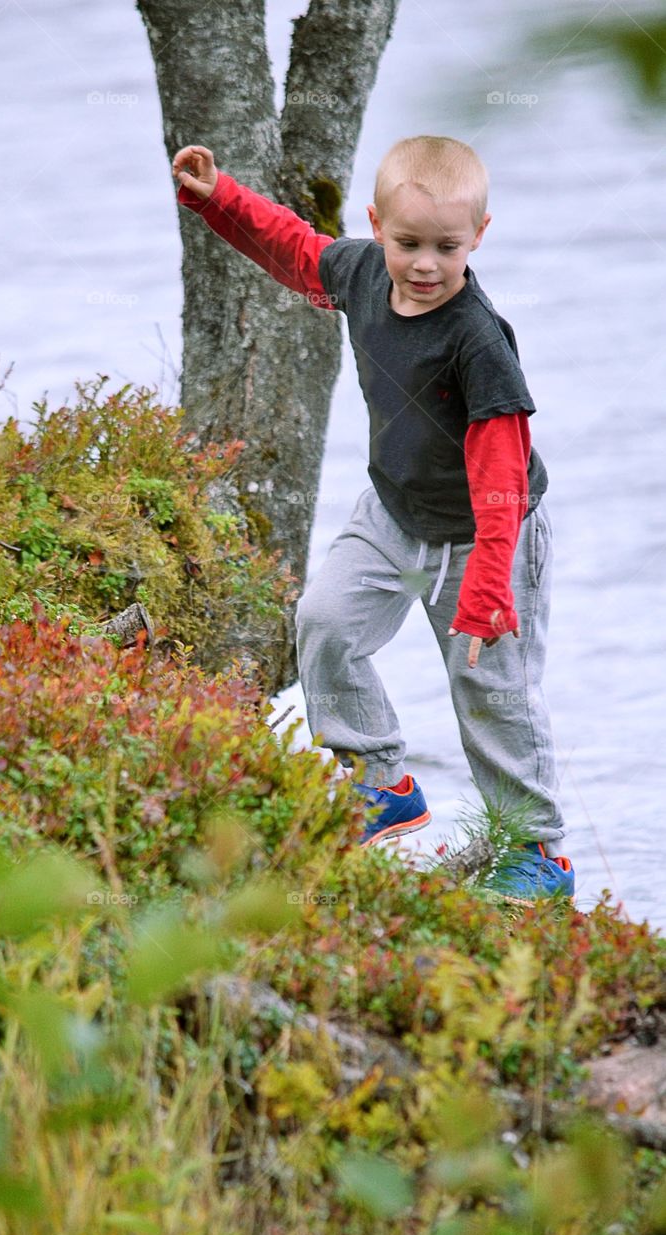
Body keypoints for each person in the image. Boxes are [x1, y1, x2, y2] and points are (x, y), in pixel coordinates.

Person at [172, 137, 573, 901]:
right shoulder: (360, 274)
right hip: (393, 511)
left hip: (488, 535)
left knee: (491, 690)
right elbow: (293, 249)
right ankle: (380, 780)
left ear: (478, 236)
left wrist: (489, 585)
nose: (425, 264)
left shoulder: (476, 338)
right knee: (323, 620)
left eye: (446, 248)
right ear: (376, 226)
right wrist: (218, 196)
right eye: (407, 243)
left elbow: (499, 477)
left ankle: (538, 855)